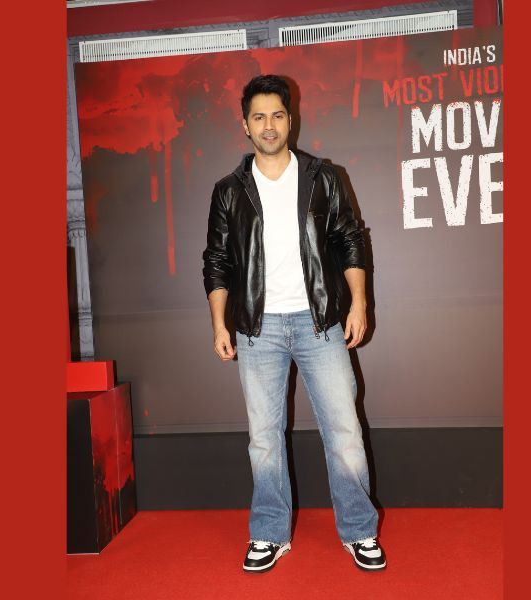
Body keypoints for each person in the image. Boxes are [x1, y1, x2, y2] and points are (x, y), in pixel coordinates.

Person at [202, 74, 385, 573]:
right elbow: (217, 260)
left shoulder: (323, 177)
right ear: (245, 125)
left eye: (277, 115)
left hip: (319, 322)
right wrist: (219, 324)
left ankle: (359, 530)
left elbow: (350, 239)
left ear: (291, 119)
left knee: (344, 430)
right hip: (256, 327)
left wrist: (359, 304)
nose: (269, 125)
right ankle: (269, 532)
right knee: (264, 437)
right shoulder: (228, 191)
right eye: (258, 117)